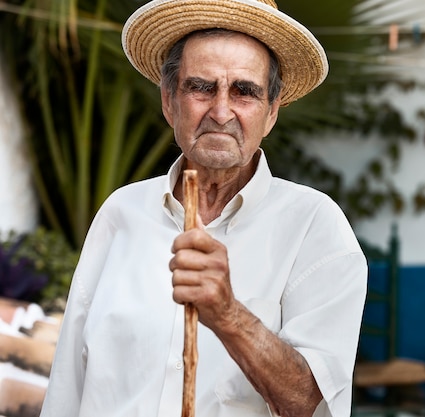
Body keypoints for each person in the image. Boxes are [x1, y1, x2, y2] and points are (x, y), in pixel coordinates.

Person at [40, 0, 367, 416]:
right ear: (168, 102)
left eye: (245, 91)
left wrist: (228, 314)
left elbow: (309, 402)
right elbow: (69, 383)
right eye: (201, 87)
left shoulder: (315, 227)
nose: (221, 111)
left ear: (271, 113)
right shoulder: (121, 213)